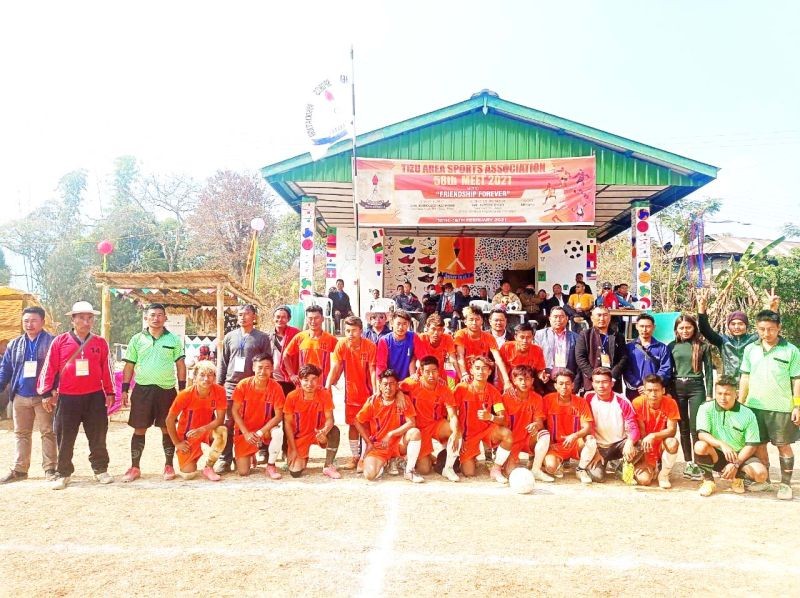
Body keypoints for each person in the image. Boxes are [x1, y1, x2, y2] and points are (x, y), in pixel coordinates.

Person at [37, 301, 115, 490]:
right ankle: (63, 473)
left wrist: (110, 392)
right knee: (65, 437)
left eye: (90, 318)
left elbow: (108, 369)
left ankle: (100, 469)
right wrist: (46, 392)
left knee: (98, 435)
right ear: (73, 319)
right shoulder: (60, 341)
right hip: (68, 397)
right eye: (81, 317)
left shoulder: (100, 342)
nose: (86, 322)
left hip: (94, 396)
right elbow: (49, 368)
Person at [120, 303, 186, 483]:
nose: (156, 318)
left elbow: (180, 365)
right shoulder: (136, 339)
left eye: (160, 315)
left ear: (165, 318)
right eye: (152, 315)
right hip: (142, 390)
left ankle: (168, 465)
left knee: (167, 428)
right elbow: (129, 365)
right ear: (146, 318)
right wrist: (124, 389)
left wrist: (182, 389)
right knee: (139, 428)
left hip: (166, 390)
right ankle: (135, 467)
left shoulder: (173, 340)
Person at [739, 309, 800, 500]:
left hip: (781, 408)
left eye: (771, 329)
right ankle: (764, 481)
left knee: (783, 445)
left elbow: (796, 380)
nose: (766, 333)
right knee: (759, 445)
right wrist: (741, 403)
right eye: (762, 329)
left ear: (779, 328)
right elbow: (745, 377)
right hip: (754, 406)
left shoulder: (791, 350)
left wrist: (797, 405)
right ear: (757, 328)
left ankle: (785, 485)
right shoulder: (750, 349)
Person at [0, 307, 56, 484]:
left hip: (43, 396)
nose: (29, 324)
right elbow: (6, 369)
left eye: (33, 320)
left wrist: (53, 391)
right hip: (20, 396)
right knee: (21, 433)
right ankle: (20, 470)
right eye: (26, 321)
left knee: (48, 432)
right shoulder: (14, 344)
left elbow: (58, 370)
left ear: (42, 322)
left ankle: (50, 468)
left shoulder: (52, 342)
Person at [215, 304, 271, 473]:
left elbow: (267, 362)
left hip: (253, 387)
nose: (242, 317)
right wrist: (219, 386)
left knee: (254, 421)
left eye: (246, 314)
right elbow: (223, 362)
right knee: (228, 423)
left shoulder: (262, 337)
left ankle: (260, 451)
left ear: (254, 317)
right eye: (240, 314)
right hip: (231, 386)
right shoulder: (230, 337)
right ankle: (225, 458)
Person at [694, 376, 769, 497]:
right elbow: (702, 434)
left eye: (727, 394)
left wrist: (736, 463)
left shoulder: (747, 413)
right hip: (717, 453)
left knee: (761, 475)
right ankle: (708, 481)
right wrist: (721, 444)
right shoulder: (706, 408)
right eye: (719, 393)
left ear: (736, 394)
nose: (723, 398)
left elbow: (751, 445)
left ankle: (738, 478)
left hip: (739, 455)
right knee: (700, 446)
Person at [326, 316, 377, 471]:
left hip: (367, 393)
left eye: (354, 330)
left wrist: (375, 391)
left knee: (366, 426)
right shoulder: (341, 345)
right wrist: (327, 386)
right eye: (347, 330)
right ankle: (355, 457)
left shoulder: (369, 346)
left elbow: (373, 370)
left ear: (361, 331)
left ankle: (364, 458)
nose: (350, 334)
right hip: (351, 393)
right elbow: (335, 366)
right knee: (353, 425)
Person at [355, 369, 424, 483]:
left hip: (399, 444)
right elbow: (357, 421)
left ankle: (409, 471)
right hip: (380, 445)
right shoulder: (373, 402)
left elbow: (411, 423)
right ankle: (387, 462)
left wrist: (391, 434)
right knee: (369, 475)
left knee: (415, 432)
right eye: (385, 384)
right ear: (380, 386)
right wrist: (368, 442)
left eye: (392, 384)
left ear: (397, 386)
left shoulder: (403, 400)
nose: (388, 387)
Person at [697, 287, 780, 382]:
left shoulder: (754, 339)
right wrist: (701, 309)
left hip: (751, 383)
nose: (736, 327)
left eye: (740, 324)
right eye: (733, 324)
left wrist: (773, 310)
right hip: (729, 384)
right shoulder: (723, 341)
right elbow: (705, 330)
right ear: (728, 326)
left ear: (746, 326)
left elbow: (769, 328)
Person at [453, 355, 514, 483]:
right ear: (471, 370)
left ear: (490, 371)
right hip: (468, 435)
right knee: (469, 473)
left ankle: (496, 468)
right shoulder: (461, 388)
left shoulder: (494, 391)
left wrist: (490, 417)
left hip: (487, 431)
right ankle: (469, 457)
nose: (481, 371)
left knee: (507, 434)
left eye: (484, 368)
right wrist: (459, 435)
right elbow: (452, 414)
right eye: (477, 368)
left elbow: (503, 419)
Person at [668, 314, 714, 481]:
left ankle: (699, 461)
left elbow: (709, 372)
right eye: (681, 328)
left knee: (696, 426)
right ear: (676, 330)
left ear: (694, 328)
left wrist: (709, 395)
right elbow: (668, 370)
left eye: (688, 327)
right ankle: (689, 463)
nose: (685, 330)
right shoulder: (671, 346)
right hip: (677, 387)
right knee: (683, 426)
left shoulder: (703, 346)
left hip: (696, 387)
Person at [400, 356, 460, 481]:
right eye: (427, 372)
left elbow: (453, 415)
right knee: (425, 470)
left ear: (439, 371)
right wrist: (399, 394)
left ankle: (448, 468)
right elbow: (393, 387)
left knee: (455, 430)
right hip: (418, 429)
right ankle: (409, 456)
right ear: (421, 372)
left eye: (434, 371)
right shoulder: (412, 383)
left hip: (435, 425)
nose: (431, 375)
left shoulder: (444, 388)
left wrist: (455, 433)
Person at [165, 360, 227, 481]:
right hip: (188, 435)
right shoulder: (185, 395)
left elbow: (220, 419)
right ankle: (192, 457)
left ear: (214, 377)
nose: (206, 379)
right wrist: (177, 443)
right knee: (189, 474)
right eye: (202, 375)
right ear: (195, 377)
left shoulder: (219, 391)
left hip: (206, 431)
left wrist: (203, 429)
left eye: (210, 375)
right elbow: (169, 420)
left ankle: (209, 466)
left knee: (222, 431)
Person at [231, 354, 285, 479]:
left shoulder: (276, 387)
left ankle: (271, 465)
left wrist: (260, 433)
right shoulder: (243, 385)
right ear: (253, 367)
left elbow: (278, 416)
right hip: (246, 431)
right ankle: (250, 453)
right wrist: (246, 433)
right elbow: (234, 411)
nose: (263, 371)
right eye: (260, 367)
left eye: (267, 368)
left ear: (272, 369)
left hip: (264, 429)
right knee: (243, 472)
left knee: (278, 433)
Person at [583, 367, 641, 483]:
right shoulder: (587, 398)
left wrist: (630, 442)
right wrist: (594, 450)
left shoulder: (622, 400)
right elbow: (587, 427)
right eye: (597, 382)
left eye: (605, 382)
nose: (601, 386)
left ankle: (620, 466)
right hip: (599, 446)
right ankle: (604, 463)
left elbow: (633, 425)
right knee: (597, 477)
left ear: (612, 383)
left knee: (641, 444)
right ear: (592, 384)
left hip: (620, 444)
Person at [283, 364, 341, 479]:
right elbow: (287, 424)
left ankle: (328, 465)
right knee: (295, 472)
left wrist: (324, 431)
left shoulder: (324, 394)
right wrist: (294, 449)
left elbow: (330, 419)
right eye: (306, 380)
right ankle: (300, 456)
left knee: (334, 431)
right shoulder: (292, 397)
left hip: (317, 432)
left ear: (318, 380)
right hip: (299, 436)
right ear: (299, 380)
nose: (309, 384)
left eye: (313, 379)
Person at [541, 368, 596, 483]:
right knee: (550, 467)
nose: (564, 387)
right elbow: (541, 424)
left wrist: (574, 436)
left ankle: (580, 469)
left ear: (573, 385)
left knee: (590, 440)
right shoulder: (547, 400)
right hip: (556, 445)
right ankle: (557, 463)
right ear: (555, 385)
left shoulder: (581, 402)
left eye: (567, 383)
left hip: (575, 442)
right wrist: (548, 444)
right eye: (561, 384)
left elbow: (587, 427)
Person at [501, 365, 552, 481]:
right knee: (510, 473)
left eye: (527, 379)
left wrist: (536, 425)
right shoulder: (505, 397)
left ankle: (536, 469)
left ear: (533, 380)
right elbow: (501, 423)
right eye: (520, 379)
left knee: (544, 434)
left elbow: (539, 422)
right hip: (512, 440)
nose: (524, 382)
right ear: (514, 381)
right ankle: (506, 459)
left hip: (529, 438)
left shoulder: (537, 398)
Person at [631, 374, 681, 488]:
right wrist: (646, 461)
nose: (653, 394)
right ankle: (650, 466)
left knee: (673, 443)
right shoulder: (637, 403)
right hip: (643, 445)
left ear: (663, 390)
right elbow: (641, 434)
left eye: (656, 390)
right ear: (644, 391)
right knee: (644, 481)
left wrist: (653, 435)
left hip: (660, 443)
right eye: (649, 390)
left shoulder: (670, 402)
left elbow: (672, 430)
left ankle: (663, 474)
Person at [454, 306, 512, 393]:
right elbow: (460, 355)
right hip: (465, 377)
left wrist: (507, 381)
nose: (474, 322)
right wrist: (463, 374)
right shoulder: (461, 334)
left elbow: (498, 359)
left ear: (482, 321)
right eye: (471, 319)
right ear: (465, 321)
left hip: (483, 378)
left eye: (477, 319)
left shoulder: (489, 337)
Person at [575, 307, 628, 393]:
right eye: (599, 315)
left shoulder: (618, 336)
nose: (602, 318)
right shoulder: (584, 335)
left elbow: (623, 358)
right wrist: (594, 377)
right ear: (592, 318)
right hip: (591, 382)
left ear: (609, 318)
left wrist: (612, 376)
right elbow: (580, 358)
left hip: (612, 383)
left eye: (605, 315)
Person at [284, 304, 338, 385]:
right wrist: (291, 374)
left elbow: (342, 358)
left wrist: (335, 377)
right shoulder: (300, 337)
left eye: (316, 318)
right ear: (307, 319)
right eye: (310, 318)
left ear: (322, 319)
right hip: (304, 385)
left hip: (322, 385)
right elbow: (286, 355)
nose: (313, 321)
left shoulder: (330, 339)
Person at [623, 313, 673, 400]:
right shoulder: (629, 347)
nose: (644, 329)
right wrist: (639, 385)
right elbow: (626, 370)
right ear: (636, 326)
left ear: (654, 327)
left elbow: (665, 369)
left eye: (648, 326)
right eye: (642, 326)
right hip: (635, 391)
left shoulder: (662, 348)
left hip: (655, 392)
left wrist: (651, 385)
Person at [535, 307, 579, 388]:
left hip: (567, 383)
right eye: (555, 317)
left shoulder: (575, 337)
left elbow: (578, 361)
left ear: (566, 319)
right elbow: (535, 357)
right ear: (550, 318)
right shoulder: (539, 335)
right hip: (546, 380)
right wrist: (540, 372)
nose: (558, 319)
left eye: (561, 317)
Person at [499, 323, 547, 392]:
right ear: (515, 337)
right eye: (522, 337)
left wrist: (542, 375)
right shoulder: (506, 347)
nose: (525, 341)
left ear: (533, 337)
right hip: (508, 384)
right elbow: (500, 368)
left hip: (527, 386)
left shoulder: (537, 350)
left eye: (528, 337)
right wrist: (506, 383)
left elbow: (540, 370)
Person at [413, 314, 459, 378]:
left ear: (443, 330)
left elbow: (453, 359)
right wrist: (413, 374)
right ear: (427, 328)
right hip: (423, 377)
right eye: (433, 329)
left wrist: (462, 376)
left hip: (439, 376)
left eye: (439, 330)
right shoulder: (421, 339)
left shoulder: (447, 338)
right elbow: (413, 358)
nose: (436, 333)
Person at [376, 310, 417, 378]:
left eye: (404, 324)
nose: (401, 327)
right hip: (390, 382)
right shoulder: (384, 340)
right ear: (392, 323)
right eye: (398, 324)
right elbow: (380, 366)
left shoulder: (413, 337)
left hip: (407, 381)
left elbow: (420, 357)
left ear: (409, 324)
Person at [270, 305, 300, 397]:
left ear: (289, 319)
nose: (280, 320)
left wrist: (293, 374)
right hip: (274, 379)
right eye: (277, 317)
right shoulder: (268, 337)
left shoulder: (296, 334)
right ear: (273, 318)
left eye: (283, 317)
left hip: (291, 379)